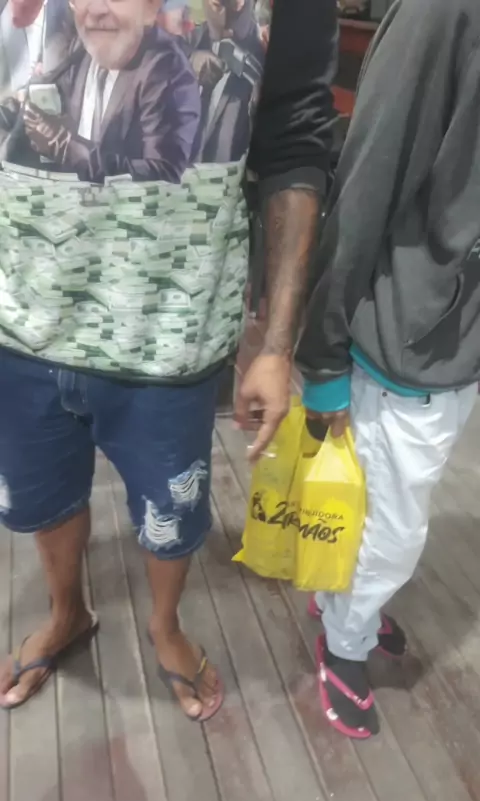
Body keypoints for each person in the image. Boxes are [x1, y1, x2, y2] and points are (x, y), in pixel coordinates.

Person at [0, 0, 337, 720]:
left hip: (172, 337)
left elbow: (292, 145)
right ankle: (66, 612)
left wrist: (277, 345)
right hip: (17, 324)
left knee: (171, 511)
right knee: (39, 496)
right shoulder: (64, 53)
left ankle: (164, 625)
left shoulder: (167, 72)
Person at [292, 0, 480, 739]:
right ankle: (345, 643)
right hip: (409, 334)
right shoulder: (444, 11)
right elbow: (367, 177)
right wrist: (322, 355)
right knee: (392, 525)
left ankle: (346, 605)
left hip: (449, 333)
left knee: (378, 504)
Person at [0, 0, 201, 182]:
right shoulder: (81, 51)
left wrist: (70, 150)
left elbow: (164, 177)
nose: (96, 9)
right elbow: (39, 103)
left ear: (150, 7)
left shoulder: (166, 70)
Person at [183, 0, 264, 162]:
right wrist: (188, 63)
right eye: (218, 5)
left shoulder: (265, 54)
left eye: (235, 4)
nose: (226, 18)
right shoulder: (187, 44)